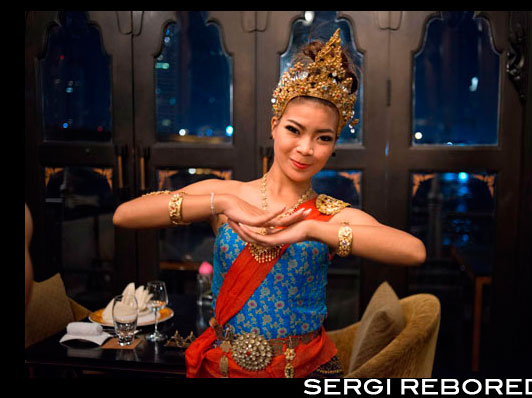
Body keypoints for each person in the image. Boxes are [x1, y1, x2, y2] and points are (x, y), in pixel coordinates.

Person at [113, 29, 426, 378]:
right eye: (294, 129)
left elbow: (413, 251)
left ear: (334, 144)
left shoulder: (329, 214)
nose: (306, 148)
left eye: (323, 138)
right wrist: (224, 202)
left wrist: (311, 229)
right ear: (274, 127)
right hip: (225, 368)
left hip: (305, 370)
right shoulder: (227, 195)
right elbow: (125, 215)